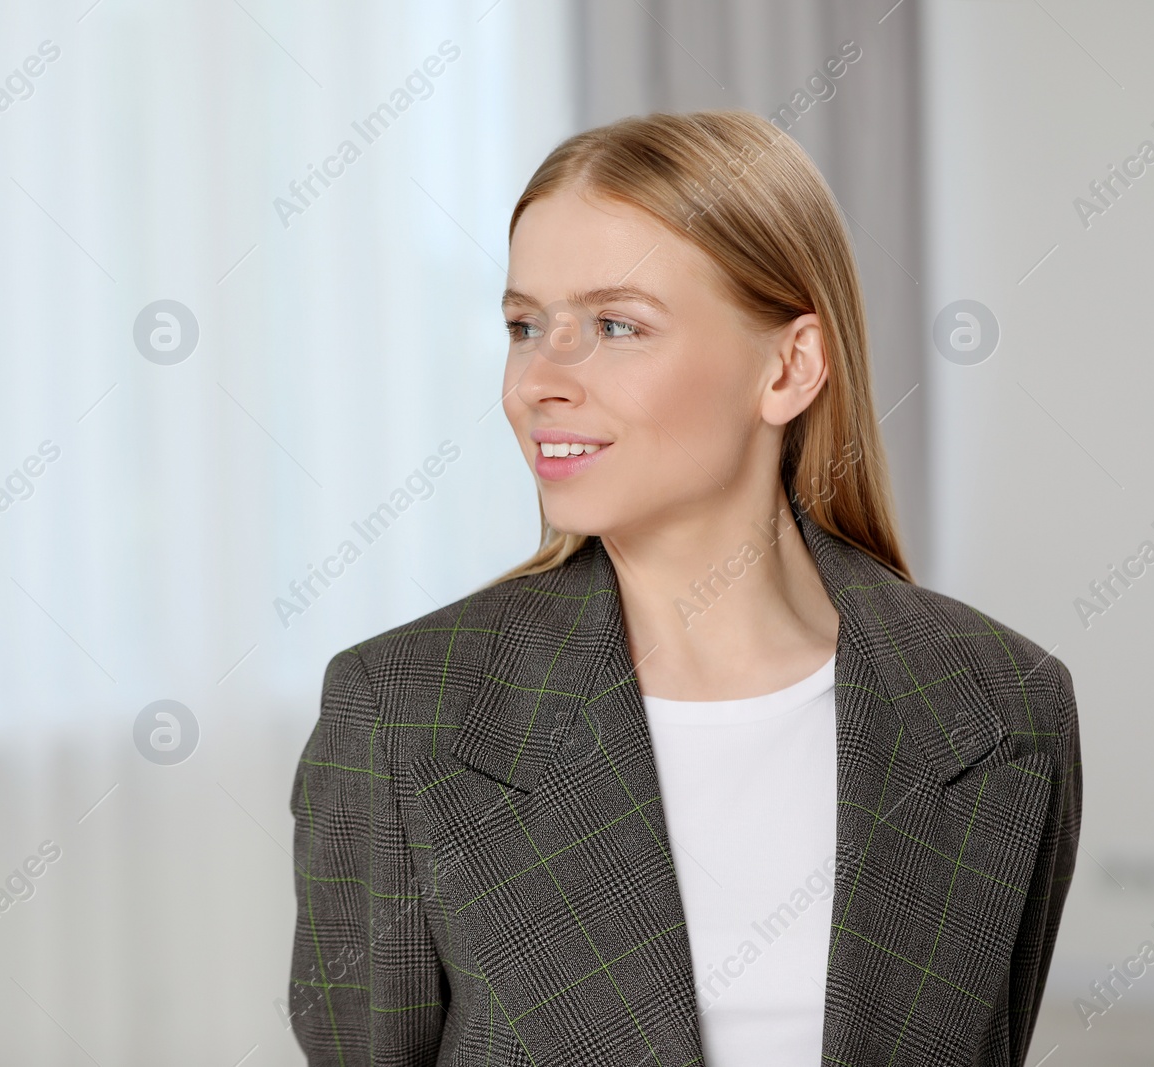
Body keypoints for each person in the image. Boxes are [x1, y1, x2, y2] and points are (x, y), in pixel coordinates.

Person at [287, 110, 1080, 1067]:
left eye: (616, 325)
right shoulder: (402, 714)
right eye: (525, 325)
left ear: (789, 367)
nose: (537, 379)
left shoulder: (1002, 702)